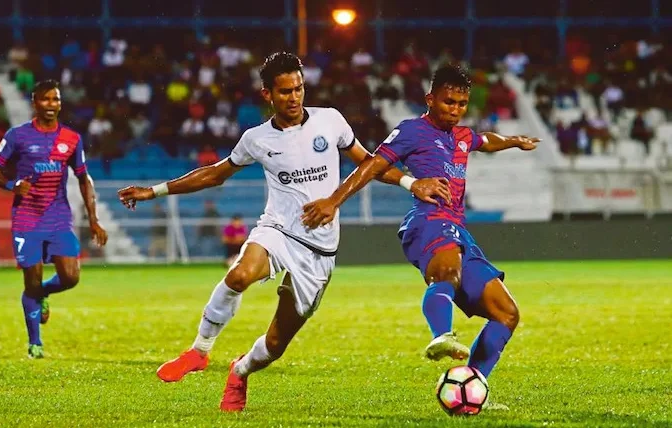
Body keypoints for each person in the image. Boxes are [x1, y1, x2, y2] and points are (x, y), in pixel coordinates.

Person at [117, 52, 451, 412]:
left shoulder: (330, 121)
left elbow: (370, 164)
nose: (294, 97)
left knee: (275, 345)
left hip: (319, 250)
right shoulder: (256, 139)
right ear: (268, 94)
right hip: (278, 229)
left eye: (298, 88)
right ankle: (199, 351)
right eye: (285, 91)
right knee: (239, 275)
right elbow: (215, 174)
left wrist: (410, 182)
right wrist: (154, 191)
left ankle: (240, 371)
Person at [301, 65, 540, 409]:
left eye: (461, 103)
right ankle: (441, 335)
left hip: (459, 229)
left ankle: (473, 386)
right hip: (427, 221)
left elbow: (486, 140)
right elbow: (373, 165)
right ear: (430, 99)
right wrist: (334, 201)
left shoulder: (462, 136)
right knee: (448, 273)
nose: (455, 109)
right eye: (448, 102)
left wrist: (514, 142)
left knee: (507, 313)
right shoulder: (412, 130)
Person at [0, 80, 108, 359]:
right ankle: (35, 343)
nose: (51, 104)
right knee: (32, 281)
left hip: (58, 216)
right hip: (27, 217)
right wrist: (12, 185)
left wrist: (94, 219)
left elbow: (83, 178)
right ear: (35, 102)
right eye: (46, 99)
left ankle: (43, 294)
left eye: (56, 99)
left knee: (71, 277)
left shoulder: (71, 138)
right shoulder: (18, 136)